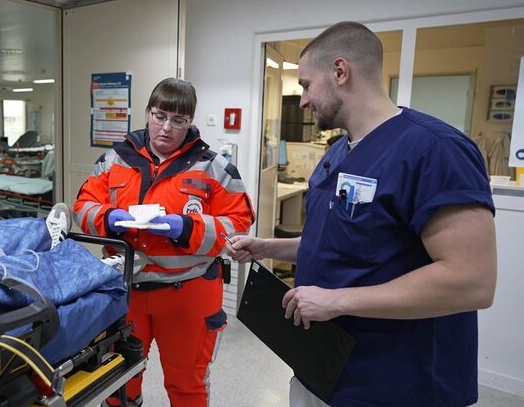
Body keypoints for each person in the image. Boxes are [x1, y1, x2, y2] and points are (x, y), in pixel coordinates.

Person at [226, 21, 496, 406]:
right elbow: (340, 242)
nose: (301, 100)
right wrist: (266, 246)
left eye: (305, 84)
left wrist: (336, 301)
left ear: (340, 71)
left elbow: (472, 282)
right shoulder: (339, 153)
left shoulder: (436, 150)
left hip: (397, 381)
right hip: (322, 365)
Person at [73, 78, 255, 407]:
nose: (166, 128)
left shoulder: (213, 167)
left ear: (190, 121)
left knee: (187, 382)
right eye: (159, 116)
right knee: (118, 377)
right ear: (147, 114)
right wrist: (107, 218)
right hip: (125, 290)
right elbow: (82, 209)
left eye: (178, 120)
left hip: (187, 293)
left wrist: (186, 227)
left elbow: (238, 223)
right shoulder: (113, 160)